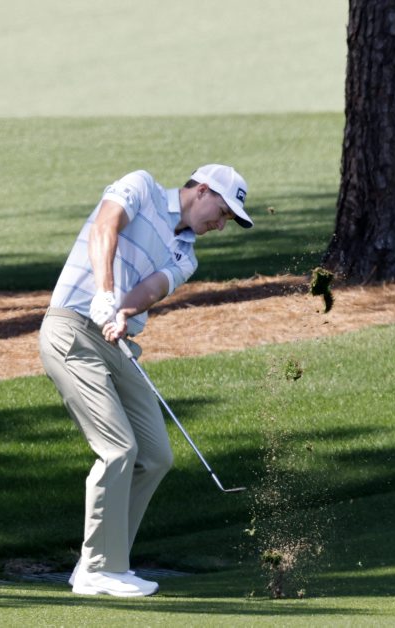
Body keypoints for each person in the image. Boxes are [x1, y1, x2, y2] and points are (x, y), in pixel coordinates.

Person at [38, 164, 253, 597]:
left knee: (155, 456)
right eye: (223, 212)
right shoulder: (141, 187)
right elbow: (105, 227)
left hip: (115, 340)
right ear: (203, 190)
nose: (220, 225)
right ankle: (99, 569)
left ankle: (102, 560)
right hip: (71, 329)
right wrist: (104, 292)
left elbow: (152, 289)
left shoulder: (187, 255)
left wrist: (122, 311)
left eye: (229, 220)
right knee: (118, 448)